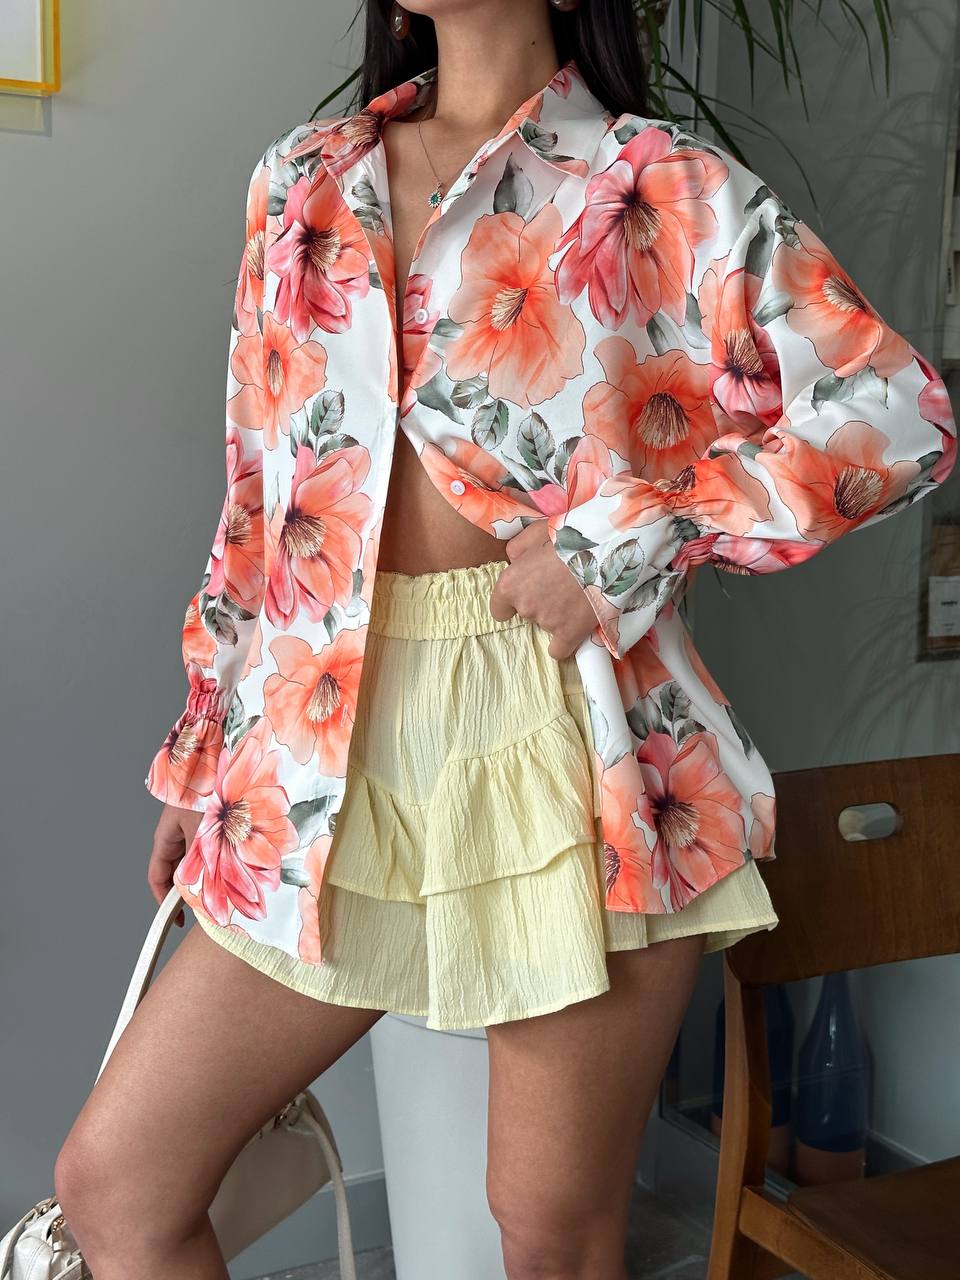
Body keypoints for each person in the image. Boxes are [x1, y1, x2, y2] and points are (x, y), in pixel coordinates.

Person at [54, 1, 956, 1277]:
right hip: (322, 727)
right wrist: (206, 749)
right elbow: (260, 497)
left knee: (550, 1231)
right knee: (117, 1184)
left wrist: (614, 547)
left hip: (572, 725)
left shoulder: (660, 183)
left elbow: (898, 411)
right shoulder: (304, 181)